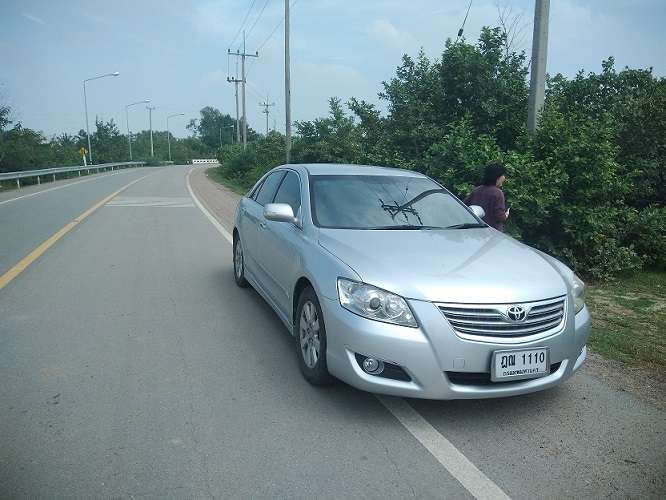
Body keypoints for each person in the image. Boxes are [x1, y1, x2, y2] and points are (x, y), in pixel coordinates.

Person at [464, 163, 510, 231]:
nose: (504, 177)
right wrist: (506, 215)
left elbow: (465, 207)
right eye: (503, 175)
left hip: (476, 229)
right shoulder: (498, 193)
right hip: (492, 232)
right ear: (498, 177)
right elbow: (500, 216)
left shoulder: (477, 190)